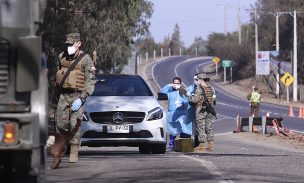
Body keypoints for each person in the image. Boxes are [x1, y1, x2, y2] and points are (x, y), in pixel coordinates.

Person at [55, 33, 95, 163]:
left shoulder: (86, 59)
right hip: (63, 95)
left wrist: (83, 97)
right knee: (60, 124)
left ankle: (73, 151)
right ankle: (63, 145)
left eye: (71, 44)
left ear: (78, 44)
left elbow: (90, 80)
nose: (68, 47)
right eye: (67, 44)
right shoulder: (61, 57)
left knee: (74, 124)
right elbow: (58, 75)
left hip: (78, 96)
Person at [160, 77, 192, 151]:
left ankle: (184, 146)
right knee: (172, 131)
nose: (176, 85)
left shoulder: (183, 91)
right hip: (172, 113)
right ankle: (171, 146)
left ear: (180, 84)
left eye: (178, 83)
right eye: (174, 83)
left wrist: (186, 104)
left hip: (182, 113)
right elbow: (161, 92)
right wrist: (169, 85)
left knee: (183, 130)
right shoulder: (170, 92)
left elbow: (189, 99)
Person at [188, 73, 215, 152]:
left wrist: (189, 97)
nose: (197, 81)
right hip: (209, 110)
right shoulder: (210, 88)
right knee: (209, 128)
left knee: (201, 128)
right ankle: (210, 145)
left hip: (201, 110)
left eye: (197, 80)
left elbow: (195, 100)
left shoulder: (199, 88)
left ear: (200, 80)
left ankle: (202, 146)